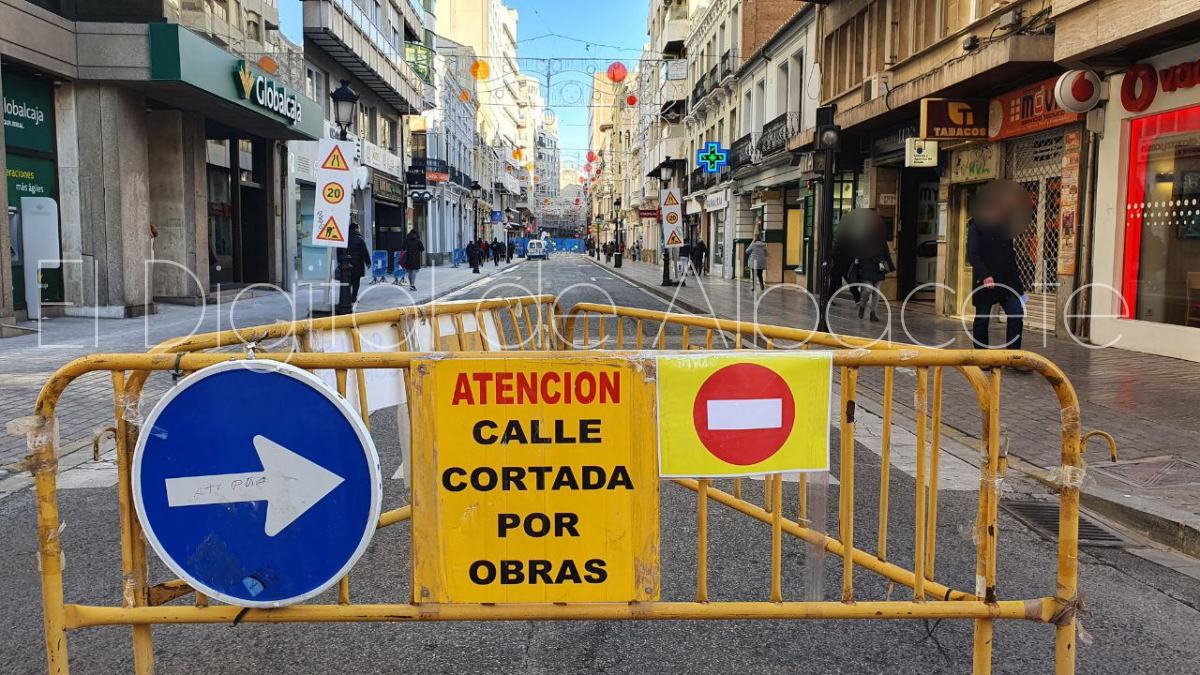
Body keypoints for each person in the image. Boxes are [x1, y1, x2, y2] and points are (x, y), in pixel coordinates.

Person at [967, 190, 1026, 351]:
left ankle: (1013, 356)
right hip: (986, 281)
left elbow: (1009, 255)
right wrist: (985, 275)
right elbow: (972, 254)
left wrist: (1018, 285)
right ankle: (981, 356)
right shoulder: (976, 225)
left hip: (1007, 281)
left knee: (1016, 314)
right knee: (982, 318)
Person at [852, 217, 894, 322]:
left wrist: (889, 266)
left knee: (876, 293)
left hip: (878, 269)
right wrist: (857, 261)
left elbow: (886, 254)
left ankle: (873, 313)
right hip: (866, 268)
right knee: (867, 290)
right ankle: (862, 306)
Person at [344, 222, 371, 303]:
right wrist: (368, 262)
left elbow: (340, 251)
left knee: (348, 281)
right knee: (356, 281)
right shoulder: (360, 239)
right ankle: (353, 297)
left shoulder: (345, 239)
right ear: (356, 229)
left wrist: (340, 261)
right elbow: (364, 252)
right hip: (357, 264)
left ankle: (346, 296)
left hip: (346, 263)